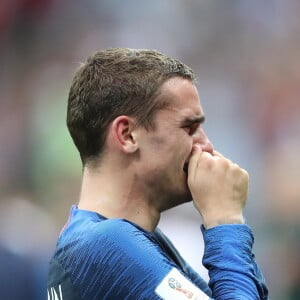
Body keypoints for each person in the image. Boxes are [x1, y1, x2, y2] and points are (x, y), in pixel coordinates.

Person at [47, 48, 268, 300]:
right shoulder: (107, 243)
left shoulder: (107, 240)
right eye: (189, 127)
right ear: (127, 134)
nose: (205, 145)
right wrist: (225, 221)